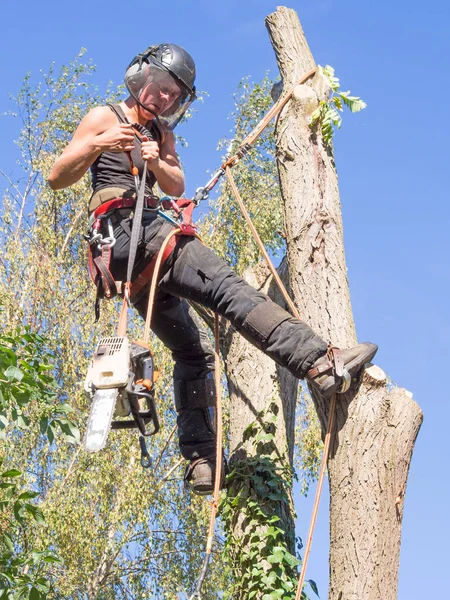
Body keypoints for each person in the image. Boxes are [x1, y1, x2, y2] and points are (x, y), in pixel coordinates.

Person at [48, 43, 377, 495]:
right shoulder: (104, 116)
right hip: (128, 234)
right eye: (160, 89)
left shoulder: (161, 136)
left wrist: (154, 159)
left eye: (173, 96)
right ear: (141, 79)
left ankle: (201, 460)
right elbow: (56, 175)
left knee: (193, 351)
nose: (163, 100)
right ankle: (319, 362)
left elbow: (177, 182)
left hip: (138, 263)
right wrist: (102, 144)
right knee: (227, 288)